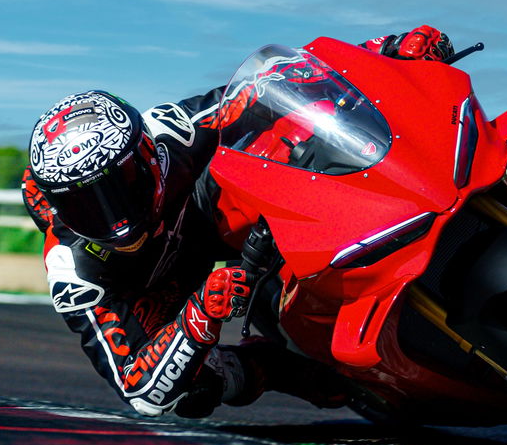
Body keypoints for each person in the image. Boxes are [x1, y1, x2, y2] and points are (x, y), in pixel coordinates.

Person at [22, 26, 456, 417]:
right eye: (86, 206)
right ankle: (283, 368)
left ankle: (375, 221)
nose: (115, 219)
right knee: (193, 389)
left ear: (148, 153)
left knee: (288, 133)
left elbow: (272, 84)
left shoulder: (170, 131)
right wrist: (200, 316)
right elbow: (138, 390)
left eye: (122, 187)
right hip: (165, 290)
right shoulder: (73, 270)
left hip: (208, 216)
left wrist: (388, 50)